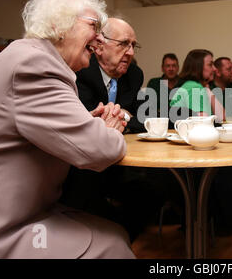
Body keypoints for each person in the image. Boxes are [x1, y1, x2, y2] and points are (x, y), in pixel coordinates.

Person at [0, 0, 134, 258]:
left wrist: (86, 122)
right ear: (60, 26)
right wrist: (107, 130)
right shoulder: (34, 65)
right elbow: (100, 150)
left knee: (116, 230)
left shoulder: (31, 57)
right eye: (95, 26)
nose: (99, 39)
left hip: (21, 211)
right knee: (114, 246)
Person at [60, 18, 162, 242]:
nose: (130, 52)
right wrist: (123, 116)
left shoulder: (134, 75)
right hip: (79, 167)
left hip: (117, 164)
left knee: (154, 190)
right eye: (124, 43)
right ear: (99, 46)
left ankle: (121, 239)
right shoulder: (80, 73)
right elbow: (87, 122)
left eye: (134, 45)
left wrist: (123, 116)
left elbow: (136, 120)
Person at [170, 49, 222, 120]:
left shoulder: (197, 86)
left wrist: (207, 89)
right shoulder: (193, 87)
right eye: (210, 65)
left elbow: (221, 117)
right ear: (198, 67)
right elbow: (202, 122)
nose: (215, 69)